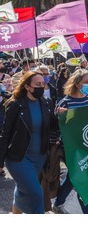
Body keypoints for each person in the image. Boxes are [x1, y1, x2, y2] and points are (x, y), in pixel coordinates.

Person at [0, 71, 57, 213]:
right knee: (36, 194)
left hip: (39, 157)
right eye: (37, 84)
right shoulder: (15, 105)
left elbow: (53, 127)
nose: (41, 87)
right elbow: (5, 135)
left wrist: (61, 115)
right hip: (18, 158)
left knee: (23, 190)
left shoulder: (47, 103)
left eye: (43, 84)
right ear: (27, 86)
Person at [52, 69, 88, 214]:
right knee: (83, 182)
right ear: (77, 84)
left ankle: (58, 202)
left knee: (73, 178)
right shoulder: (65, 103)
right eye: (86, 82)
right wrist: (58, 115)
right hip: (72, 150)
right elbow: (56, 125)